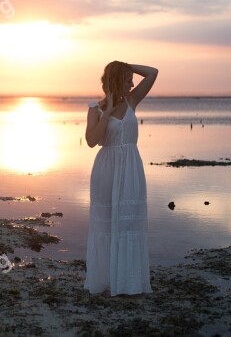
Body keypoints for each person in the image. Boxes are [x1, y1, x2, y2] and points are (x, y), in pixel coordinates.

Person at [84, 60, 157, 296]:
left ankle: (128, 282)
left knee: (129, 223)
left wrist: (125, 65)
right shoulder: (95, 109)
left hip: (131, 168)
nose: (133, 83)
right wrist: (106, 114)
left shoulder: (132, 100)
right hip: (106, 169)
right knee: (105, 224)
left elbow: (152, 73)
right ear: (116, 81)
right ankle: (105, 282)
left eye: (131, 79)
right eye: (127, 79)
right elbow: (91, 141)